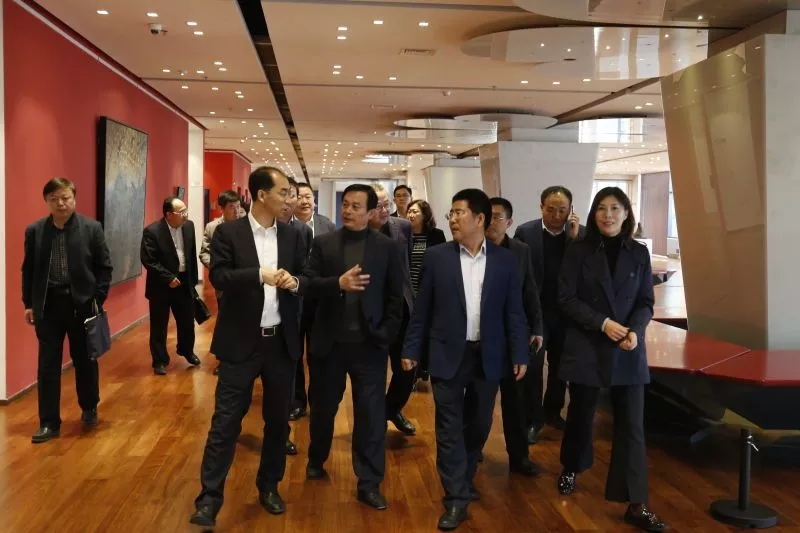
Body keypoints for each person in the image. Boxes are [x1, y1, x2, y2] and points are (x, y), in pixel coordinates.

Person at [402, 189, 529, 531]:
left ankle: (465, 472)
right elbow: (422, 309)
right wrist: (411, 349)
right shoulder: (437, 257)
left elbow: (514, 312)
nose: (453, 219)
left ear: (480, 218)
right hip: (447, 353)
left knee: (479, 424)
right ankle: (456, 496)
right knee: (447, 426)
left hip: (489, 355)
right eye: (451, 213)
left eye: (459, 212)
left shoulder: (505, 260)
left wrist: (520, 352)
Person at [190, 167, 309, 527]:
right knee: (225, 422)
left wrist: (294, 281)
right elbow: (220, 276)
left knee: (277, 423)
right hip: (240, 341)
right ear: (261, 195)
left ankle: (269, 486)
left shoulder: (294, 235)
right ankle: (209, 498)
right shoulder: (229, 233)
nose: (290, 199)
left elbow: (306, 275)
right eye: (284, 192)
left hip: (281, 343)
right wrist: (259, 274)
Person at [556, 187, 667, 532]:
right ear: (593, 214)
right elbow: (566, 298)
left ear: (626, 213)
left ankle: (636, 502)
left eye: (615, 208)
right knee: (581, 414)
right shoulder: (578, 250)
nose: (608, 215)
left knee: (632, 426)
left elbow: (645, 301)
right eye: (601, 208)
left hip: (627, 347)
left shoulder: (639, 253)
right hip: (588, 344)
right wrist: (603, 323)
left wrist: (635, 330)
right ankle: (572, 466)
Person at [305, 184, 403, 511]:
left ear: (371, 212)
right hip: (329, 344)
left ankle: (369, 482)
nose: (347, 210)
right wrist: (338, 283)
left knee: (371, 416)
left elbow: (395, 296)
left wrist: (386, 333)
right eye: (345, 204)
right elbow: (308, 285)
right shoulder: (324, 243)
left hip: (369, 345)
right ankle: (316, 458)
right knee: (323, 409)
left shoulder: (387, 247)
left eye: (356, 206)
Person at [22, 177, 113, 443]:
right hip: (48, 307)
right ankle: (48, 422)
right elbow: (28, 270)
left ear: (74, 198)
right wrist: (29, 303)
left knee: (85, 360)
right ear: (46, 201)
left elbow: (104, 267)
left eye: (65, 198)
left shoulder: (91, 228)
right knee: (47, 365)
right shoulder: (35, 231)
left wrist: (97, 299)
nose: (60, 203)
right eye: (54, 199)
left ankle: (89, 406)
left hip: (81, 305)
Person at [513, 185, 583, 441]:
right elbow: (518, 272)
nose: (556, 215)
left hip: (568, 314)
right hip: (537, 311)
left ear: (571, 210)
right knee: (533, 367)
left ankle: (552, 411)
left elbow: (584, 271)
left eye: (562, 210)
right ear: (541, 207)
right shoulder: (526, 232)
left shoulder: (581, 235)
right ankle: (533, 419)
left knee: (560, 367)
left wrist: (574, 240)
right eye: (550, 209)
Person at [485, 197, 543, 476]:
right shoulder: (471, 247)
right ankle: (472, 451)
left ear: (509, 222)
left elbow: (530, 291)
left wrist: (537, 328)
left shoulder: (520, 251)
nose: (491, 222)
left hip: (513, 336)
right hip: (481, 338)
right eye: (487, 215)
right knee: (479, 402)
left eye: (497, 217)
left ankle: (519, 457)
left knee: (516, 402)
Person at [370, 184, 416, 436]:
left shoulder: (404, 227)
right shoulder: (359, 232)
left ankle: (392, 408)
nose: (385, 210)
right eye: (378, 206)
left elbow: (406, 265)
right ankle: (373, 418)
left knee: (407, 368)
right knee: (374, 370)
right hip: (373, 313)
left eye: (386, 204)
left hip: (402, 309)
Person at [290, 182, 335, 421]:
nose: (305, 201)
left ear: (314, 200)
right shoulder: (285, 227)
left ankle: (318, 399)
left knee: (318, 353)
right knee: (294, 352)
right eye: (300, 196)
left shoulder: (327, 225)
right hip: (294, 298)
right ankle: (297, 401)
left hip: (320, 300)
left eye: (308, 196)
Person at [140, 196, 200, 375]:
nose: (185, 214)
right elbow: (148, 260)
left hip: (184, 282)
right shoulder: (152, 231)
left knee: (187, 321)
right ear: (168, 215)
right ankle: (159, 360)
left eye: (185, 210)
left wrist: (193, 282)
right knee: (159, 325)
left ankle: (186, 350)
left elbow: (191, 255)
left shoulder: (189, 226)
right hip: (161, 285)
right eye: (181, 212)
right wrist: (168, 278)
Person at [199, 189, 242, 376]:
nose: (236, 211)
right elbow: (204, 252)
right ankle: (223, 360)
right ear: (222, 209)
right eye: (232, 207)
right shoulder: (212, 227)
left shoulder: (247, 225)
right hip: (224, 283)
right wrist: (217, 267)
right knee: (225, 320)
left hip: (244, 281)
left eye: (238, 207)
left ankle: (243, 358)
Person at [404, 199, 446, 381]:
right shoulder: (403, 234)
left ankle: (424, 368)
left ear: (425, 215)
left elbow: (441, 263)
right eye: (409, 211)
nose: (411, 215)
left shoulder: (436, 235)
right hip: (408, 290)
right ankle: (411, 371)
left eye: (415, 212)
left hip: (428, 290)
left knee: (427, 331)